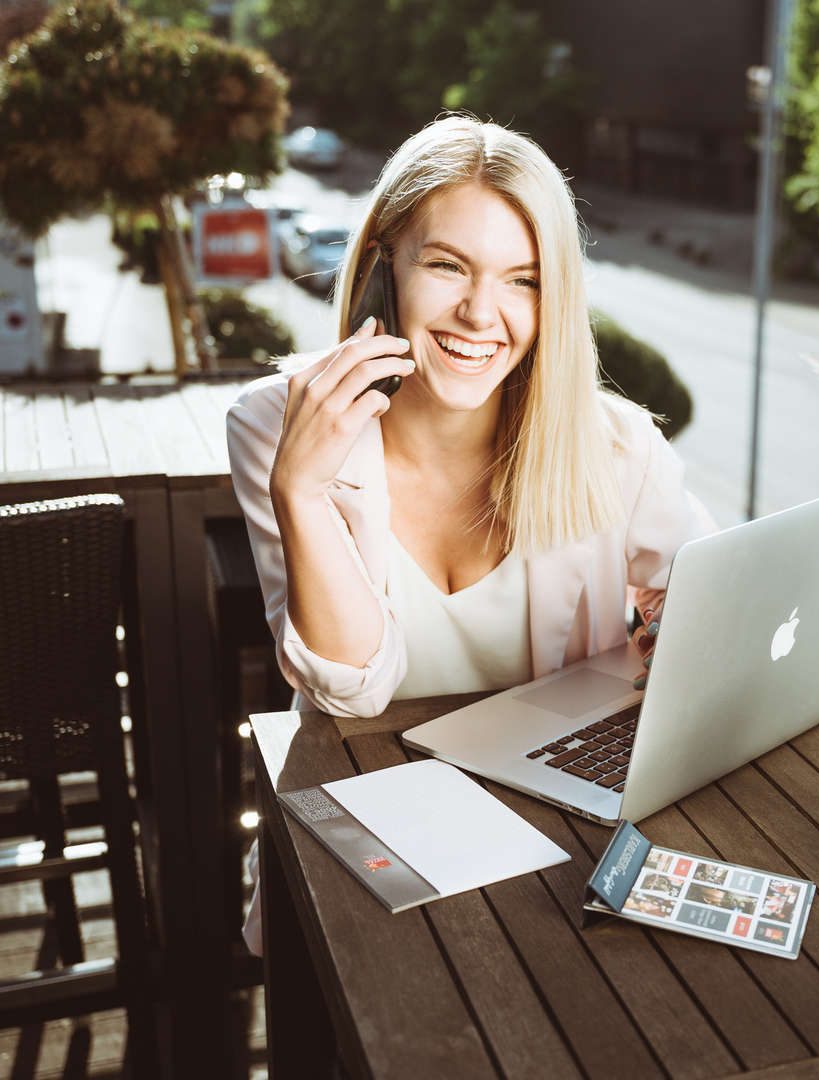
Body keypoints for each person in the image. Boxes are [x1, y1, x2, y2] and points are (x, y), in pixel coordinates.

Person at [226, 115, 715, 952]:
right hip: (365, 832)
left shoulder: (618, 443)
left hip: (559, 839)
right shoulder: (282, 425)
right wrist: (302, 490)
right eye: (448, 265)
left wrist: (679, 632)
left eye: (523, 280)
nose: (481, 314)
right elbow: (351, 690)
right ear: (385, 260)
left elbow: (715, 599)